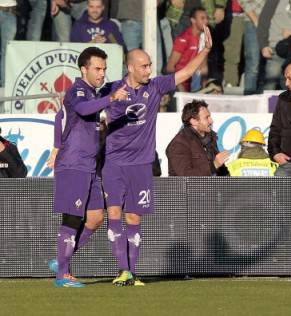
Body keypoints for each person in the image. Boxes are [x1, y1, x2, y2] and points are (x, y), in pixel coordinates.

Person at [101, 26, 215, 286]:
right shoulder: (112, 89)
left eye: (150, 65)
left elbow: (186, 72)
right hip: (114, 163)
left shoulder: (154, 87)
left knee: (134, 217)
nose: (148, 70)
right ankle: (123, 271)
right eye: (143, 66)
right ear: (130, 68)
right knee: (115, 213)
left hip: (141, 165)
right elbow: (86, 103)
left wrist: (205, 50)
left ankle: (132, 270)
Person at [48, 47, 128, 288]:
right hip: (73, 163)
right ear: (84, 69)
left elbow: (58, 119)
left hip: (90, 166)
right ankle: (63, 275)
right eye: (97, 68)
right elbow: (82, 110)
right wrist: (111, 98)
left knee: (94, 218)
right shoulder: (77, 91)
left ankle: (61, 260)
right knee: (72, 218)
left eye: (104, 69)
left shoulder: (94, 91)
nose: (102, 73)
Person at [166, 99, 229, 176]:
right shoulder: (179, 144)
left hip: (212, 187)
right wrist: (214, 165)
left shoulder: (210, 138)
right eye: (207, 117)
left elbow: (220, 171)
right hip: (186, 188)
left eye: (210, 117)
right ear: (194, 121)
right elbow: (185, 177)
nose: (211, 121)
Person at [166, 7, 209, 92]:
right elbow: (170, 67)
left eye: (207, 18)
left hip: (191, 79)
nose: (206, 21)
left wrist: (205, 88)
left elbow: (203, 66)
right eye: (202, 18)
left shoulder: (204, 38)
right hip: (179, 81)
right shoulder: (184, 39)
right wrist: (179, 86)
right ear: (193, 20)